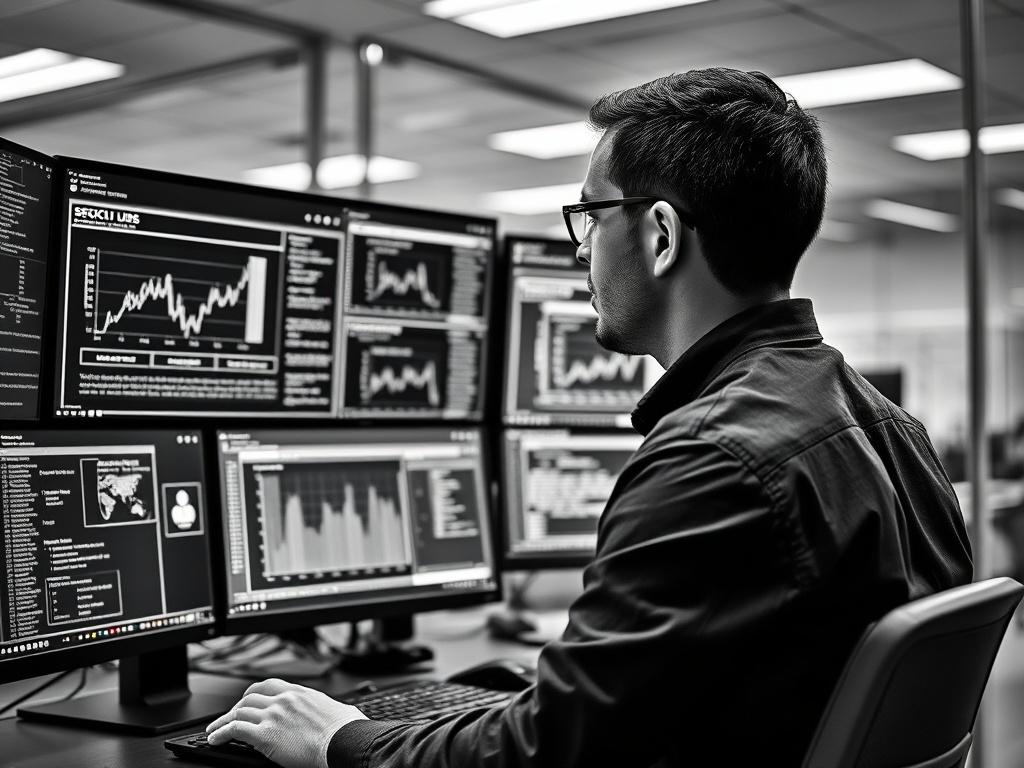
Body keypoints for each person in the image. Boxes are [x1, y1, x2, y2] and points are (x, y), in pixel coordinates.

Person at [206, 68, 973, 767]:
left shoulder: (713, 457)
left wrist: (341, 738)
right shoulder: (891, 429)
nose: (580, 252)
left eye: (591, 216)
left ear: (661, 236)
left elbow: (546, 756)